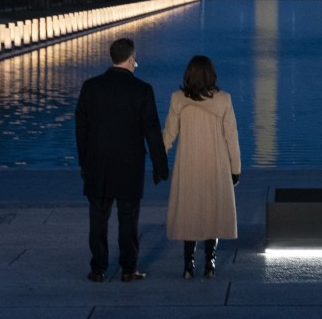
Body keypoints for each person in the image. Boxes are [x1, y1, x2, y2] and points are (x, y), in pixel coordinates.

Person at [75, 37, 169, 282]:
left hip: (97, 164)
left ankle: (98, 268)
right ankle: (128, 268)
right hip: (128, 166)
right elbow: (151, 130)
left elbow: (81, 128)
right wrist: (160, 166)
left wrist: (83, 161)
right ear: (130, 58)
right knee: (128, 219)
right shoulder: (142, 90)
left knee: (98, 219)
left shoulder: (90, 87)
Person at [162, 55, 242, 279]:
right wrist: (235, 169)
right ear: (211, 75)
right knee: (212, 212)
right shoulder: (224, 100)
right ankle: (210, 264)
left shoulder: (178, 99)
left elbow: (168, 134)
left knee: (190, 213)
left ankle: (188, 265)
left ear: (188, 75)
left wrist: (158, 159)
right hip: (215, 165)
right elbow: (231, 139)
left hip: (188, 164)